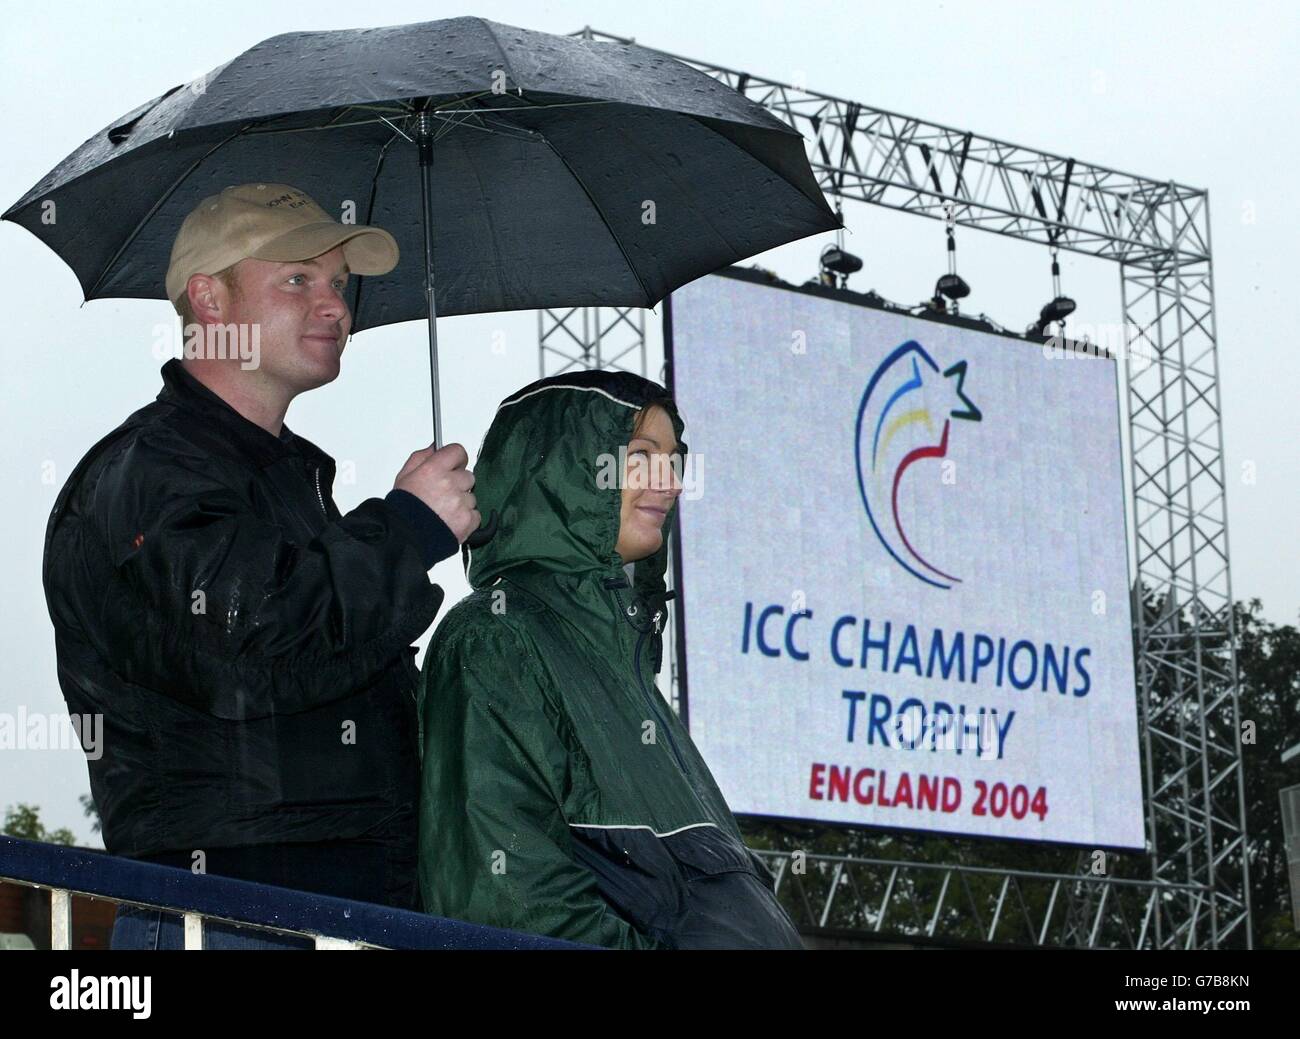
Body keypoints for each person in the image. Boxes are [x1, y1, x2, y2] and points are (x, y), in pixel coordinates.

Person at [42, 183, 479, 948]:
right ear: (208, 299)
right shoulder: (147, 474)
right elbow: (257, 648)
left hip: (344, 905)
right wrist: (406, 530)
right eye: (297, 278)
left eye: (339, 285)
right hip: (231, 910)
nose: (336, 306)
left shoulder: (284, 486)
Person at [418, 370, 804, 949]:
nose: (670, 481)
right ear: (559, 468)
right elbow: (507, 905)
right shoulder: (496, 638)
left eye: (674, 459)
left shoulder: (624, 659)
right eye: (641, 454)